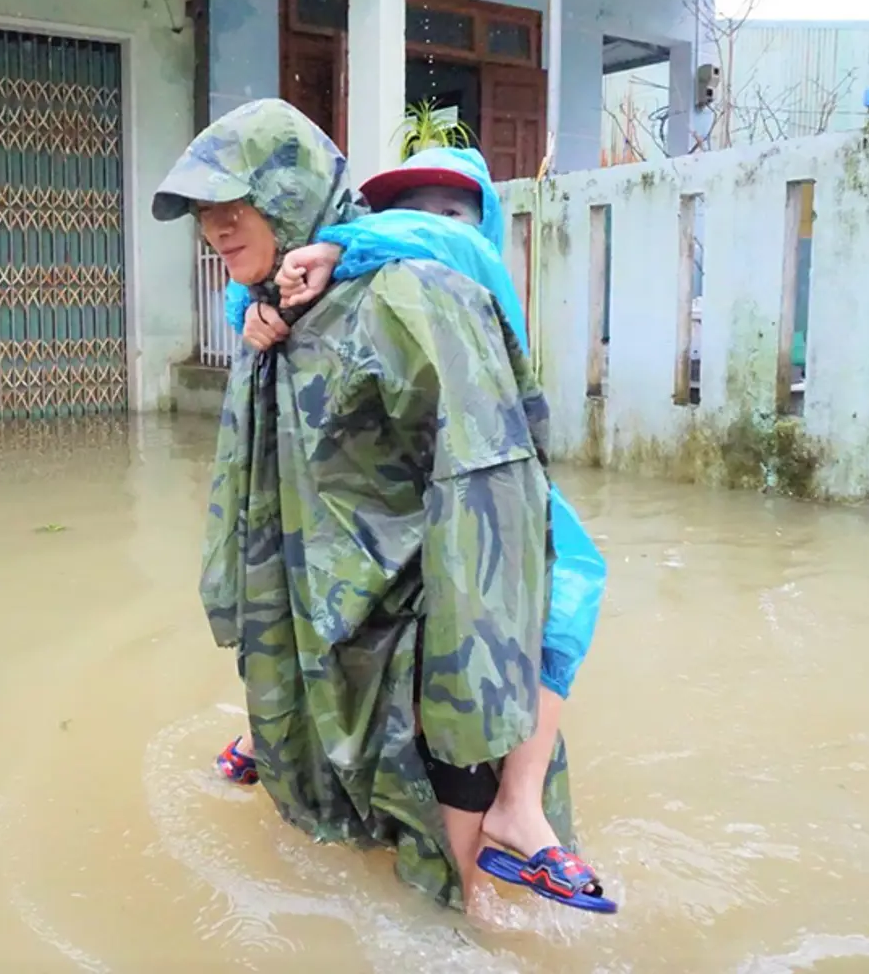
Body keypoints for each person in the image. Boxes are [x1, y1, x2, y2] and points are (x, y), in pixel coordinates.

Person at [152, 100, 610, 913]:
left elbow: (484, 486)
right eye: (203, 215)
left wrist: (468, 642)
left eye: (235, 205)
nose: (216, 228)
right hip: (328, 592)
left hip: (424, 584)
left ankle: (480, 884)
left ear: (291, 197)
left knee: (461, 732)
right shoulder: (280, 309)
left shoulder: (411, 291)